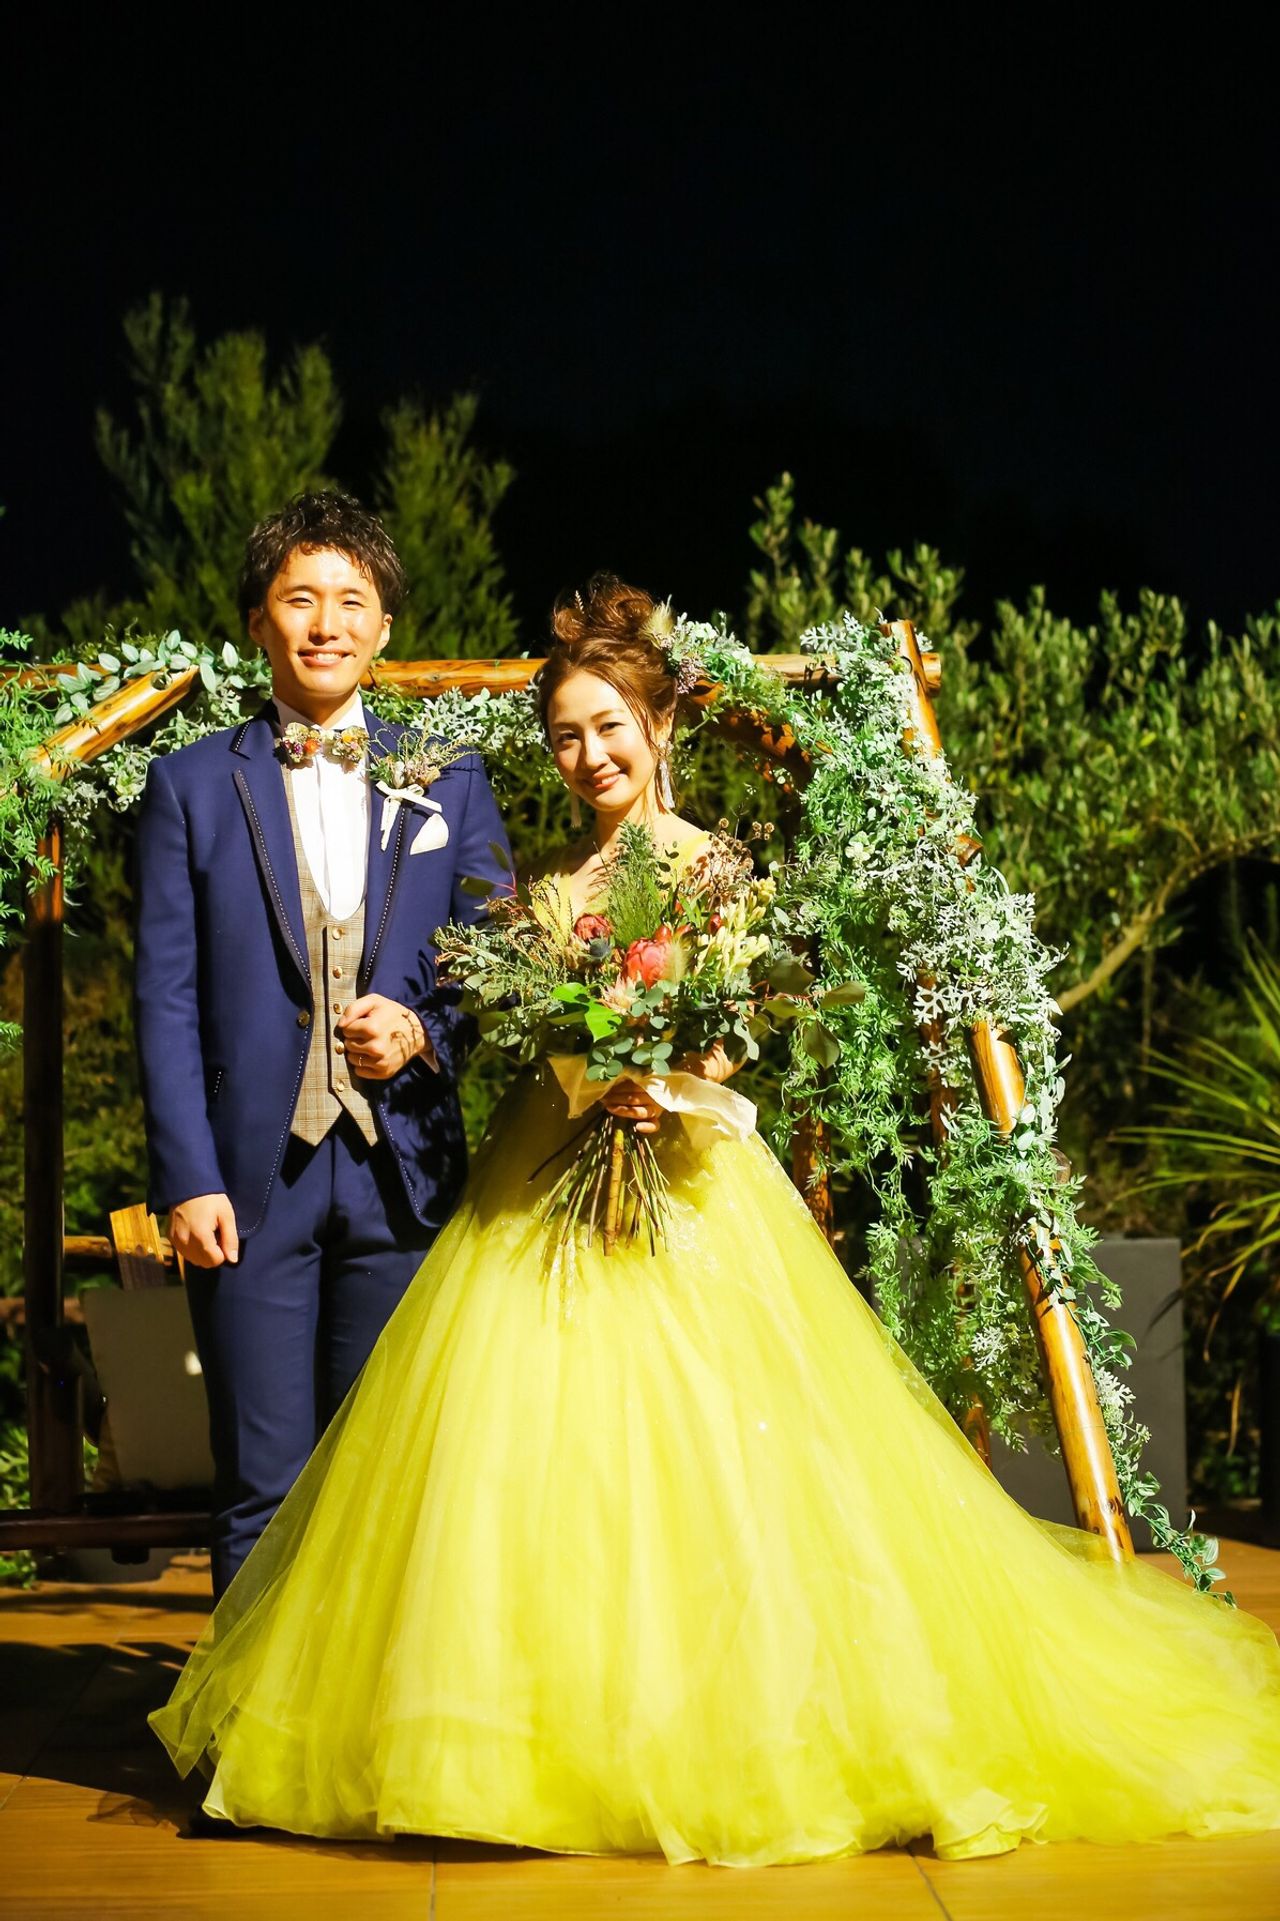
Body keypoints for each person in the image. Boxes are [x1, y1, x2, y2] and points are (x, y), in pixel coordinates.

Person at [151, 576, 1280, 1865]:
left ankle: (739, 1726)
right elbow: (508, 1020)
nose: (588, 756)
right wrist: (580, 1060)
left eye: (607, 727)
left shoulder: (713, 867)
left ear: (659, 724)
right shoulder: (543, 881)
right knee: (529, 1474)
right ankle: (543, 1732)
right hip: (547, 1178)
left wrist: (680, 1071)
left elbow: (745, 1023)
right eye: (565, 736)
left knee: (731, 1468)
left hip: (685, 1184)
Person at [134, 491, 510, 1598]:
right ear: (259, 619)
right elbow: (164, 996)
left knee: (384, 1482)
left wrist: (424, 1027)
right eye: (300, 598)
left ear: (385, 625)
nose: (326, 622)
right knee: (262, 1489)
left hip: (404, 1177)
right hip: (248, 1184)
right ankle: (250, 1710)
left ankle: (367, 1706)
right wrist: (187, 1177)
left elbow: (503, 959)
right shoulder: (190, 785)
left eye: (352, 599)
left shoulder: (451, 776)